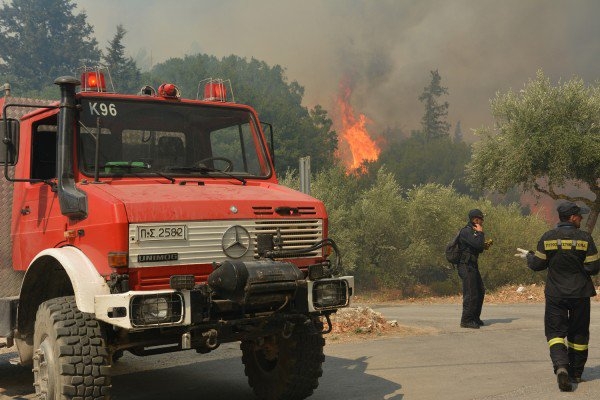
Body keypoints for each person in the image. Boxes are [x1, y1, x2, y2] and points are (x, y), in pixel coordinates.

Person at [519, 201, 600, 392]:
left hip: (556, 294)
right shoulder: (585, 239)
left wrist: (529, 256)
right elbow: (594, 267)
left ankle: (561, 367)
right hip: (580, 294)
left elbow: (538, 264)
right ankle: (576, 373)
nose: (581, 218)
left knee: (555, 334)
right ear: (572, 218)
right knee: (579, 334)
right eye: (579, 215)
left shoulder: (548, 237)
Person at [457, 209, 488, 329]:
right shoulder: (466, 231)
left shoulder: (473, 232)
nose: (482, 221)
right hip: (465, 265)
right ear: (475, 219)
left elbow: (479, 247)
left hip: (472, 265)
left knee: (480, 290)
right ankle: (466, 320)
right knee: (471, 293)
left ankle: (474, 317)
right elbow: (478, 245)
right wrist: (480, 233)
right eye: (481, 219)